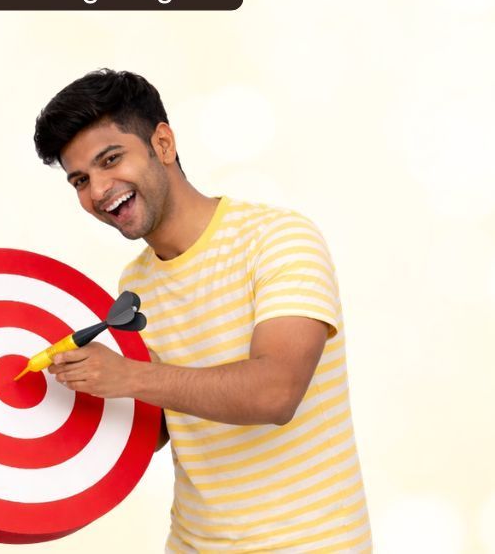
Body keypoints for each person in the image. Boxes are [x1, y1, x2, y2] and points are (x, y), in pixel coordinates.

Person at [33, 70, 371, 552]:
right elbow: (160, 429)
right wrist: (46, 395)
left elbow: (276, 393)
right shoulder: (135, 284)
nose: (100, 189)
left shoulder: (279, 239)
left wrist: (129, 376)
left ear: (164, 143)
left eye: (111, 159)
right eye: (81, 180)